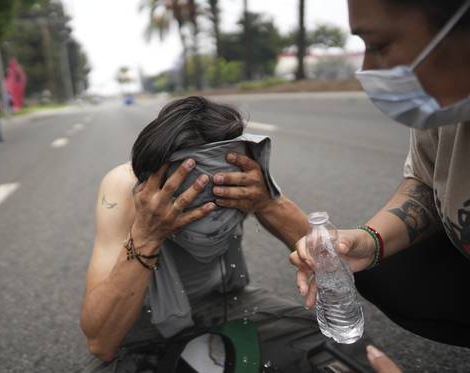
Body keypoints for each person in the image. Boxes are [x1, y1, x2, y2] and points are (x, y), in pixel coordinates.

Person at [79, 96, 337, 372]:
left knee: (339, 347)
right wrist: (146, 235)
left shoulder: (240, 171)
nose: (209, 210)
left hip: (226, 302)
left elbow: (330, 263)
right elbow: (101, 342)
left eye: (218, 196)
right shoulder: (126, 189)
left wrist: (267, 202)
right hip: (142, 322)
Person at [288, 0, 470, 351]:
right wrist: (368, 241)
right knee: (380, 270)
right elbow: (426, 182)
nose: (368, 68)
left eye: (379, 45)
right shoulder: (448, 107)